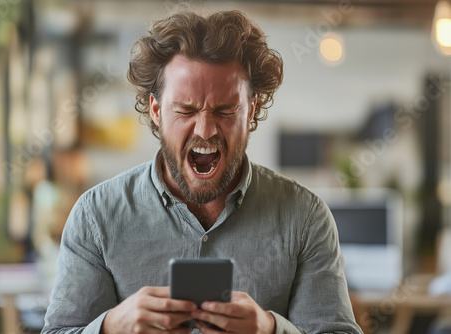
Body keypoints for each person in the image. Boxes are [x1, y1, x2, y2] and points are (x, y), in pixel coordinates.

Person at [42, 9, 363, 334]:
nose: (206, 130)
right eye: (186, 110)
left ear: (251, 110)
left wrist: (269, 329)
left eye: (225, 110)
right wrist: (110, 327)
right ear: (156, 110)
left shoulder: (305, 217)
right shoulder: (95, 216)